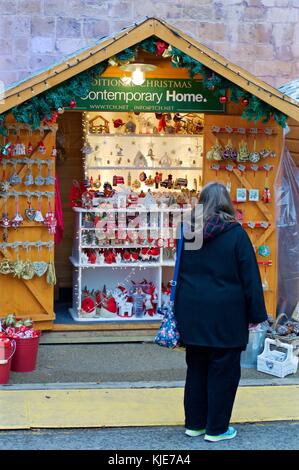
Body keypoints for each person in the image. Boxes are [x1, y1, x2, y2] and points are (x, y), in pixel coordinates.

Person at [174, 182, 268, 442]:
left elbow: (183, 271)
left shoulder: (191, 232)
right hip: (227, 313)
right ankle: (216, 428)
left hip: (192, 311)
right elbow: (249, 277)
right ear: (226, 202)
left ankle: (194, 424)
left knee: (196, 368)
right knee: (223, 371)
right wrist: (256, 316)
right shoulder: (236, 234)